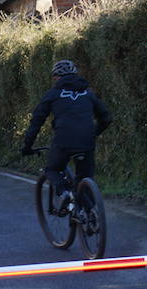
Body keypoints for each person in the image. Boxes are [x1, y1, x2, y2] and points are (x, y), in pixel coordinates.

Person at [20, 59, 112, 209]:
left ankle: (64, 193)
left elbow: (37, 121)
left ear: (56, 77)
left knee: (52, 169)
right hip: (87, 141)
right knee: (86, 178)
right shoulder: (89, 93)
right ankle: (90, 217)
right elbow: (106, 118)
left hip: (64, 141)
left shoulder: (53, 94)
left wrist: (27, 146)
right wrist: (94, 133)